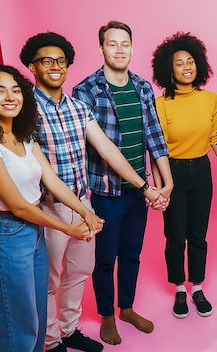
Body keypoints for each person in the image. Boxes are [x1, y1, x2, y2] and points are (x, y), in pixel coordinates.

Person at [19, 31, 165, 351]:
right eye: (47, 61)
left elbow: (109, 150)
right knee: (50, 279)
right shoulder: (24, 111)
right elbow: (43, 172)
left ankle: (70, 330)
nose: (56, 66)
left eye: (61, 61)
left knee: (79, 272)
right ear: (32, 66)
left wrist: (145, 187)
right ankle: (51, 339)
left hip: (83, 201)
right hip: (50, 206)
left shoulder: (76, 107)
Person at [0, 63, 103, 352]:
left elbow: (52, 180)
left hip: (34, 234)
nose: (10, 97)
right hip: (7, 237)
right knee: (18, 331)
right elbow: (19, 206)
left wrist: (85, 211)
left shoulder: (25, 136)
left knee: (35, 325)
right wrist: (67, 227)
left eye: (15, 90)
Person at [72, 21, 173, 345]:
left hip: (138, 190)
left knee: (132, 252)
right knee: (105, 258)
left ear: (132, 47)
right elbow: (95, 146)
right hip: (106, 191)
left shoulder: (144, 87)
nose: (119, 50)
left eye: (124, 44)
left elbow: (154, 136)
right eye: (112, 44)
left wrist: (165, 183)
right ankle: (107, 315)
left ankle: (127, 307)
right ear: (101, 49)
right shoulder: (85, 90)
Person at [151, 32, 217, 319]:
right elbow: (156, 148)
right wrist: (161, 187)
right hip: (174, 172)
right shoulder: (161, 103)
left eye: (190, 61)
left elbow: (216, 139)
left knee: (199, 235)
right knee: (175, 235)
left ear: (200, 66)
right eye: (179, 63)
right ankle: (179, 287)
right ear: (169, 70)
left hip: (202, 170)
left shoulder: (210, 99)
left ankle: (197, 286)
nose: (186, 67)